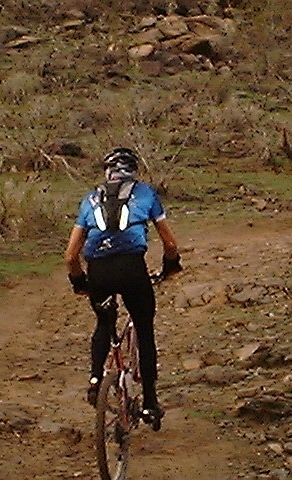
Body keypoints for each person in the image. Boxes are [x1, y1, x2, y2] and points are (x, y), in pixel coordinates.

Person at [64, 147, 182, 425]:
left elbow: (70, 256)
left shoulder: (90, 199)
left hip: (99, 271)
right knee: (144, 329)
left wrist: (80, 282)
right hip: (132, 269)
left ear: (107, 172)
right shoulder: (146, 194)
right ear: (134, 171)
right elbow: (170, 243)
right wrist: (170, 266)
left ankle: (95, 379)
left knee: (104, 323)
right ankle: (150, 402)